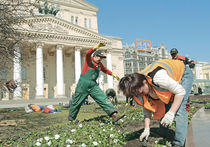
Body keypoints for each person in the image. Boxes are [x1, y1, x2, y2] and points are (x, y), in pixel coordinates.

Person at [118, 59, 193, 147]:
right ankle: (163, 131)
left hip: (183, 74)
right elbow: (147, 107)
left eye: (141, 92)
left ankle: (179, 143)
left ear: (145, 82)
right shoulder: (137, 87)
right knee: (165, 104)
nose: (140, 95)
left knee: (179, 109)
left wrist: (171, 113)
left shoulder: (159, 78)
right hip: (167, 82)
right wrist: (146, 128)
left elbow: (180, 92)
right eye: (138, 94)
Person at [68, 42, 124, 123]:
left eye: (102, 58)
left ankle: (114, 115)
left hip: (93, 85)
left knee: (103, 98)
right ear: (95, 56)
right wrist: (97, 46)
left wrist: (113, 74)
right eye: (100, 57)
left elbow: (104, 69)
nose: (100, 59)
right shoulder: (89, 60)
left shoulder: (99, 64)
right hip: (83, 84)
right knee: (77, 102)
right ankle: (71, 120)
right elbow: (88, 53)